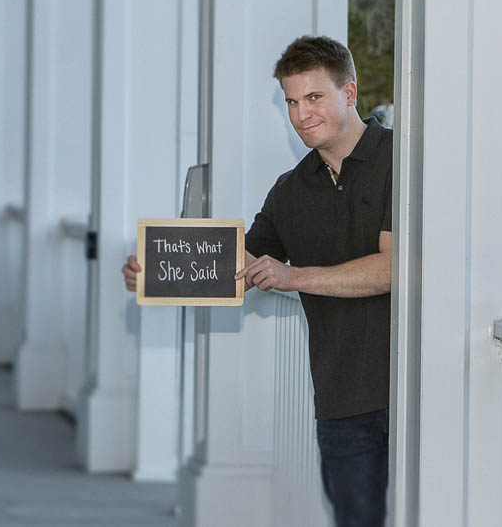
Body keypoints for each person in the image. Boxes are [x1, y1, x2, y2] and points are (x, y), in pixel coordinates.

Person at [123, 36, 393, 527]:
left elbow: (394, 269)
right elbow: (237, 264)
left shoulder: (402, 160)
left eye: (314, 97)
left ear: (349, 93)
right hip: (342, 397)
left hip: (415, 388)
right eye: (291, 101)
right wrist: (157, 269)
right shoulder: (291, 190)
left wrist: (295, 276)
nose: (301, 114)